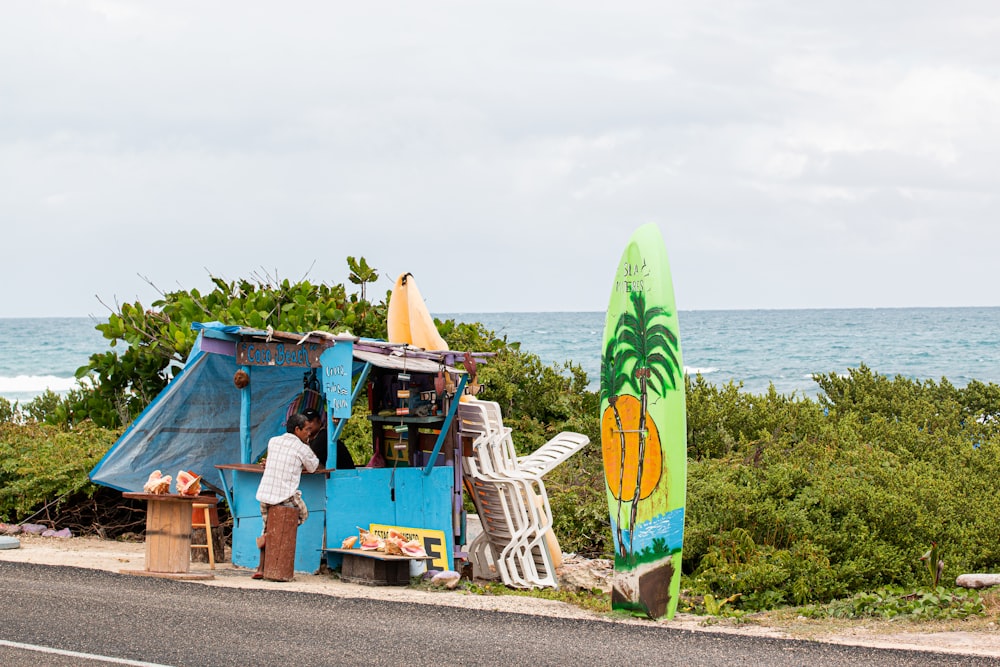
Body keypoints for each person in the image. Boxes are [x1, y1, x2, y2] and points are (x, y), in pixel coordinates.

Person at [253, 412, 319, 579]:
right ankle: (278, 534)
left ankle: (261, 568)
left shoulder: (273, 441)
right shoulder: (301, 447)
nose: (308, 433)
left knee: (267, 528)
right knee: (303, 514)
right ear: (297, 430)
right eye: (306, 430)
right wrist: (307, 445)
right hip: (285, 495)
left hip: (264, 495)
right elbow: (313, 466)